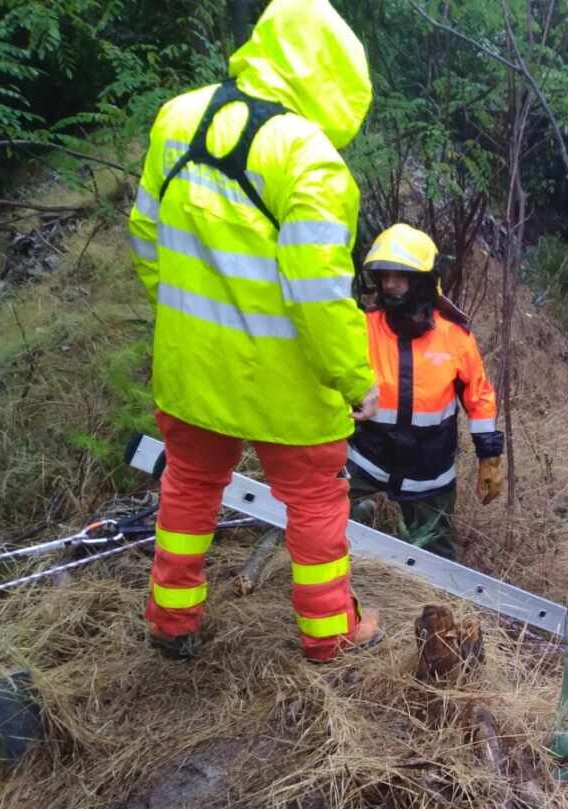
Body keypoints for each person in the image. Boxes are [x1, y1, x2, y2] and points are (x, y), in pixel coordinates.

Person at [127, 0, 381, 662]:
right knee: (318, 507)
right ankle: (329, 636)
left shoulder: (177, 119)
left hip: (192, 369)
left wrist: (182, 316)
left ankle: (172, 618)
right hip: (286, 386)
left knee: (187, 484)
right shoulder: (312, 160)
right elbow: (319, 294)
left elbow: (146, 233)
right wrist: (355, 377)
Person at [346, 223, 504, 560]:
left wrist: (489, 457)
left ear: (422, 279)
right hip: (366, 459)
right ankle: (364, 514)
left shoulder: (454, 336)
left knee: (439, 561)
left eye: (400, 276)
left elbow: (479, 397)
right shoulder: (363, 326)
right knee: (323, 515)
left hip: (429, 472)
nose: (390, 284)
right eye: (385, 275)